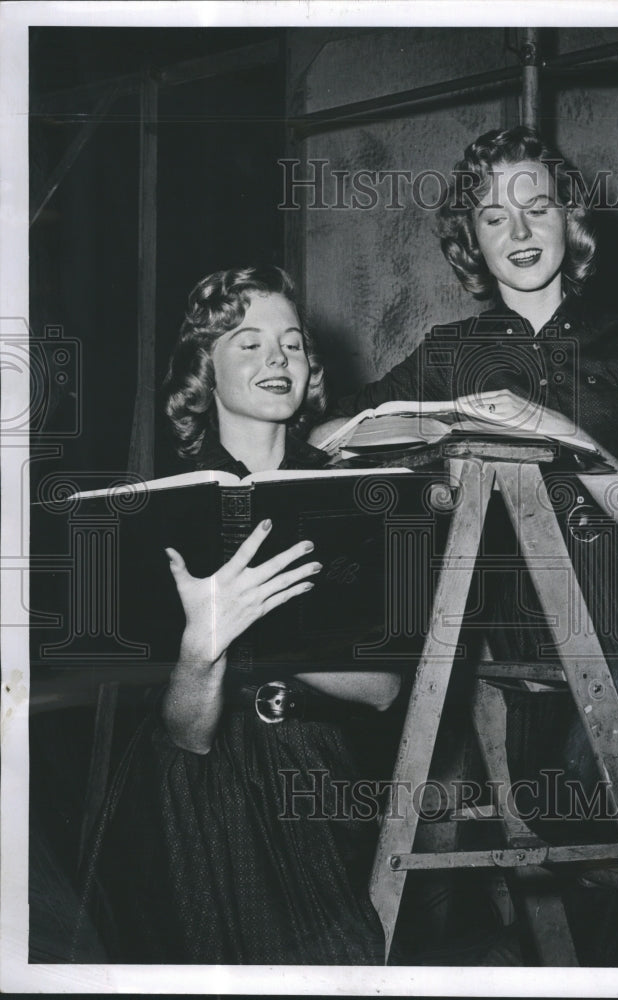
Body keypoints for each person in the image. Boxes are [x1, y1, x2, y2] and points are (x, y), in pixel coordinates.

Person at [315, 126, 618, 964]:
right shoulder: (452, 353)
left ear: (569, 221)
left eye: (537, 206)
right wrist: (433, 439)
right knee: (571, 792)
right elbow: (331, 437)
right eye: (495, 217)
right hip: (532, 616)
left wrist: (555, 431)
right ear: (472, 241)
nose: (521, 230)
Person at [73, 266, 400, 964]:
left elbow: (382, 687)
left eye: (291, 343)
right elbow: (186, 738)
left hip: (319, 775)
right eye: (248, 344)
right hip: (199, 789)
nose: (278, 358)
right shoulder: (161, 510)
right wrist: (200, 653)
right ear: (204, 371)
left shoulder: (356, 498)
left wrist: (249, 635)